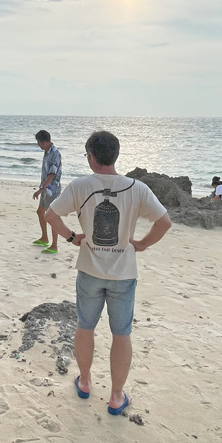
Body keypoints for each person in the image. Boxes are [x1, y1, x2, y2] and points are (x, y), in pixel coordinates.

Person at [45, 130, 172, 416]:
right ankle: (116, 396)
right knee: (121, 334)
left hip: (89, 271)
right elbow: (164, 222)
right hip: (123, 274)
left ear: (91, 156)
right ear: (116, 155)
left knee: (85, 327)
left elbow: (50, 215)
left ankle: (86, 381)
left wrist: (70, 237)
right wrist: (141, 245)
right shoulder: (137, 188)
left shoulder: (80, 186)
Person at [32, 129, 62, 254]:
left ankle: (54, 245)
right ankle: (44, 238)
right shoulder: (46, 151)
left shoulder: (54, 153)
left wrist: (41, 189)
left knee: (52, 217)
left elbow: (52, 174)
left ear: (44, 142)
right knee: (40, 212)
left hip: (52, 189)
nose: (38, 145)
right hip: (45, 187)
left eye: (39, 143)